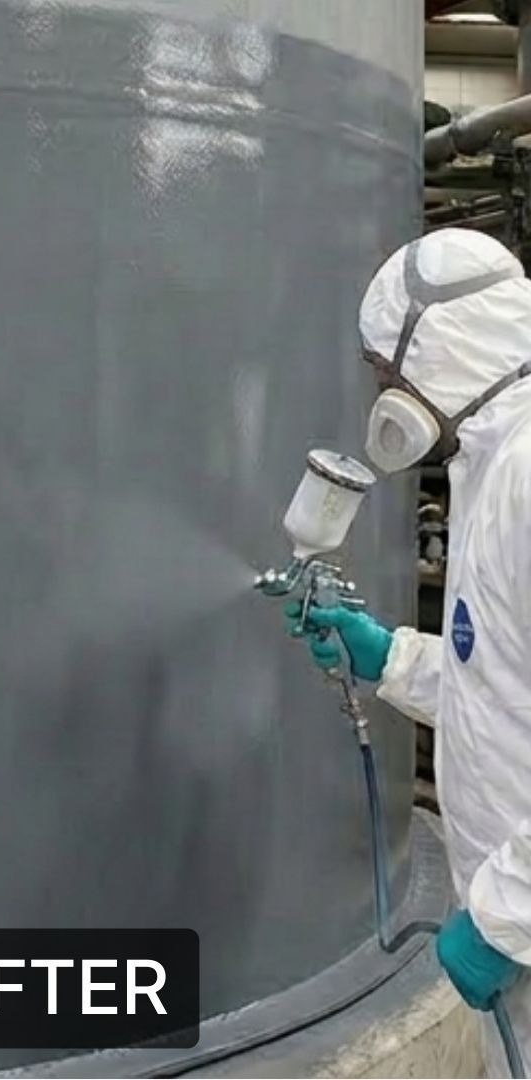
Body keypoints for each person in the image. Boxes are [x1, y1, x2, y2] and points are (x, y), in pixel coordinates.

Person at [291, 228, 531, 1076]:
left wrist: (504, 920)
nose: (383, 397)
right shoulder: (491, 461)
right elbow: (504, 680)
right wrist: (388, 656)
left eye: (384, 374)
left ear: (435, 354)